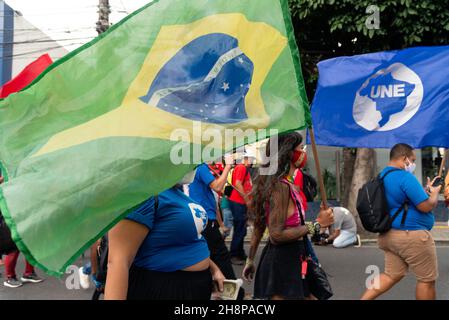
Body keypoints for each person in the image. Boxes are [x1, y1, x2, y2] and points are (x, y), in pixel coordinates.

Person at [242, 132, 334, 300]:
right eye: (300, 148)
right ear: (289, 153)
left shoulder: (285, 184)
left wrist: (250, 259)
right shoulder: (280, 188)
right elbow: (276, 234)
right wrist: (317, 224)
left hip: (294, 257)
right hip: (283, 263)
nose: (304, 152)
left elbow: (260, 225)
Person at [105, 176, 225, 300]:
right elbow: (118, 262)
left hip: (196, 287)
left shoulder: (175, 191)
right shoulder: (140, 193)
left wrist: (214, 269)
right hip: (162, 287)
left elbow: (190, 239)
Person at [361, 143, 441, 300]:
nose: (413, 163)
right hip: (411, 236)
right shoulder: (405, 177)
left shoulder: (382, 176)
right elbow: (426, 206)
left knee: (391, 275)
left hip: (389, 236)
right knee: (427, 280)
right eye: (412, 159)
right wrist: (434, 194)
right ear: (404, 158)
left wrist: (424, 192)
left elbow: (399, 200)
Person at [186, 156, 244, 299]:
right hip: (206, 224)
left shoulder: (202, 169)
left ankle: (217, 292)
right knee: (221, 260)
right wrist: (228, 166)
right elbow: (217, 187)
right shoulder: (200, 166)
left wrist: (221, 224)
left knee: (207, 261)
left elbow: (217, 197)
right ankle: (235, 295)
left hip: (206, 222)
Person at [0, 174, 43, 288]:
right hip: (6, 219)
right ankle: (10, 277)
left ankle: (29, 273)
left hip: (20, 215)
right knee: (13, 248)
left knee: (29, 245)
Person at [228, 152, 254, 265]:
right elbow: (238, 184)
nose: (252, 162)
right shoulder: (241, 167)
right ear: (246, 159)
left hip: (240, 202)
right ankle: (234, 254)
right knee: (240, 229)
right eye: (251, 159)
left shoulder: (243, 168)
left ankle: (239, 252)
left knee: (242, 229)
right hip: (238, 202)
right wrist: (247, 200)